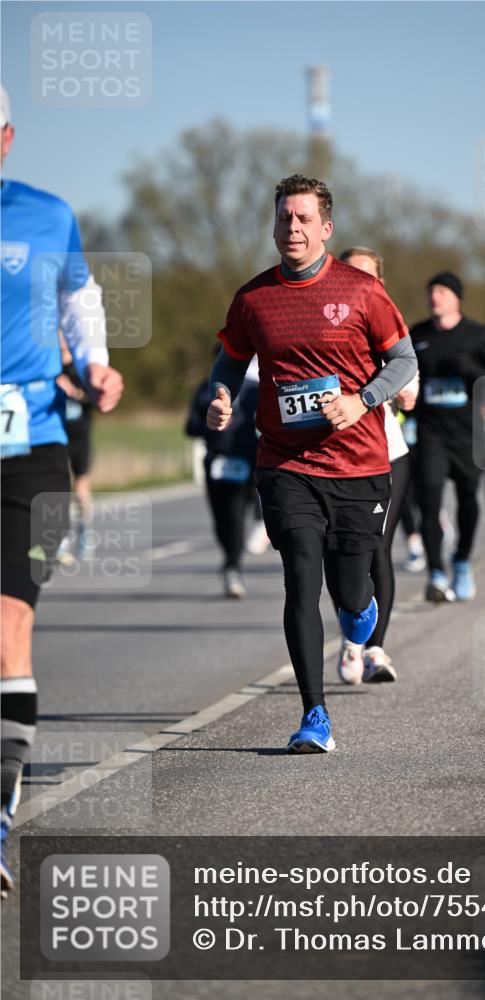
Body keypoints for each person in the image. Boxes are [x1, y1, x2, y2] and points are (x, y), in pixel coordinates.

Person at [206, 175, 416, 753]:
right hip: (285, 463)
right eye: (282, 219)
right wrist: (221, 397)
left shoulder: (362, 292)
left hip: (357, 465)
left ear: (326, 228)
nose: (291, 228)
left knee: (350, 594)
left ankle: (361, 610)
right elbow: (227, 364)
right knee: (301, 579)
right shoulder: (253, 298)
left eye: (302, 219)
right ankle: (314, 715)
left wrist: (362, 400)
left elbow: (403, 360)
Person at [1, 86, 124, 894]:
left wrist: (95, 364)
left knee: (8, 624)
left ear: (6, 137)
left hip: (29, 450)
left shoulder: (48, 214)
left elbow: (82, 301)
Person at [335, 247, 419, 685]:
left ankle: (375, 649)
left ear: (379, 283)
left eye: (367, 275)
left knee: (379, 549)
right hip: (334, 458)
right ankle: (352, 638)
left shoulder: (390, 324)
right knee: (344, 553)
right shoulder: (327, 321)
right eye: (350, 273)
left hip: (387, 453)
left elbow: (409, 379)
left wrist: (403, 391)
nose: (358, 281)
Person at [412, 271, 485, 603]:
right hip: (430, 432)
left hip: (469, 433)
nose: (434, 296)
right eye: (431, 291)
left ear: (456, 297)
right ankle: (436, 573)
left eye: (441, 290)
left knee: (469, 500)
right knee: (429, 500)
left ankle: (463, 561)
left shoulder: (478, 334)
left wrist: (468, 367)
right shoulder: (418, 335)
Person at [185, 350, 260, 597]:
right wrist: (209, 424)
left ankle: (233, 567)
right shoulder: (204, 390)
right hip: (216, 462)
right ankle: (230, 558)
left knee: (237, 515)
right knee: (220, 521)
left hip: (246, 461)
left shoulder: (253, 389)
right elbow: (190, 427)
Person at [56, 334, 96, 560]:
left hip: (79, 433)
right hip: (57, 434)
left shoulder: (81, 367)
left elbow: (94, 398)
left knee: (81, 486)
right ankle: (61, 539)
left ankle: (85, 531)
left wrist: (73, 391)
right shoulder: (48, 365)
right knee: (60, 484)